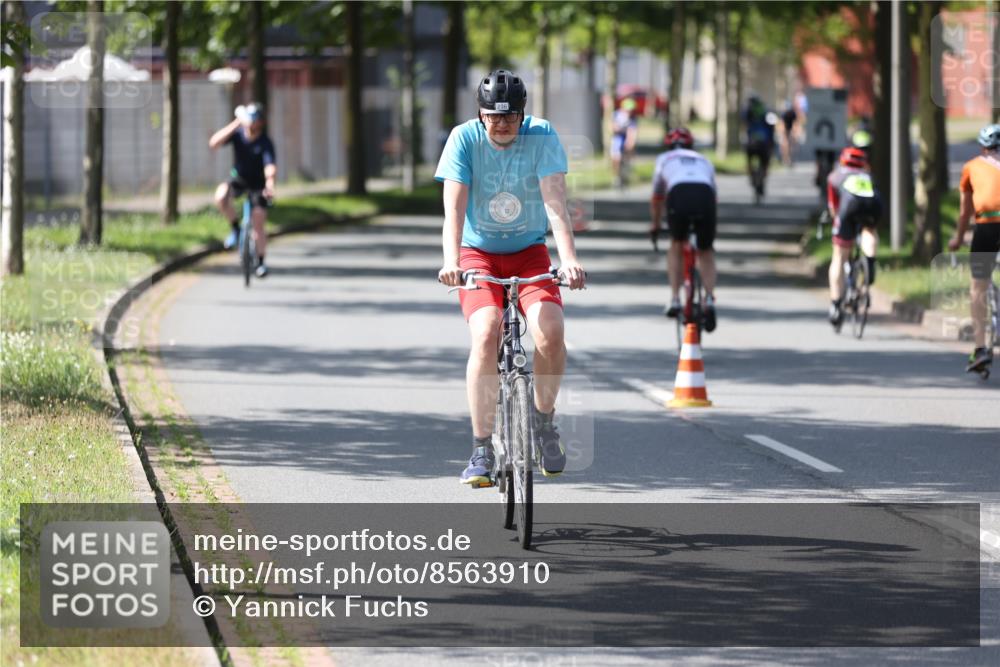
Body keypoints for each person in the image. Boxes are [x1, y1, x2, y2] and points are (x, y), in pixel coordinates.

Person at [435, 69, 587, 487]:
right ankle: (481, 448)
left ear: (522, 114)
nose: (501, 124)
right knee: (487, 332)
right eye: (493, 116)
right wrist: (451, 262)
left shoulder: (542, 135)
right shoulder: (463, 139)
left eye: (510, 116)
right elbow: (454, 211)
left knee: (551, 332)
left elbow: (555, 203)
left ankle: (543, 422)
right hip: (478, 255)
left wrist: (569, 260)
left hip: (529, 253)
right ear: (480, 115)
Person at [650, 127, 719, 332]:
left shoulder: (664, 159)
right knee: (706, 250)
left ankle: (675, 299)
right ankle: (709, 299)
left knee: (676, 244)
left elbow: (657, 198)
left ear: (668, 146)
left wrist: (655, 224)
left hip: (679, 194)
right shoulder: (704, 160)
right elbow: (714, 196)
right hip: (704, 196)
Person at [947, 123, 1000, 373]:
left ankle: (980, 349)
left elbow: (965, 211)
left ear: (982, 147)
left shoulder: (971, 167)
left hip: (987, 226)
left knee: (978, 285)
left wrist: (958, 239)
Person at [209, 103, 277, 278]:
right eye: (250, 118)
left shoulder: (265, 142)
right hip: (238, 179)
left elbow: (270, 166)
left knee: (258, 220)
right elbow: (214, 143)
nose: (252, 122)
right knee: (221, 196)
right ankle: (236, 230)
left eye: (255, 119)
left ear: (261, 122)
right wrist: (236, 123)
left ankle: (261, 262)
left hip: (258, 185)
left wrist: (270, 184)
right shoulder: (238, 135)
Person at [826, 147, 882, 328]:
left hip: (848, 207)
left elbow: (834, 208)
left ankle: (835, 305)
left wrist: (838, 224)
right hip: (873, 206)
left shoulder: (835, 176)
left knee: (839, 257)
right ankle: (870, 262)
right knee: (869, 231)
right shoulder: (868, 175)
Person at [743, 95, 775, 197]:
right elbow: (772, 128)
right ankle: (760, 180)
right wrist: (771, 143)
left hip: (751, 142)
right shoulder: (766, 112)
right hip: (764, 143)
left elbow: (744, 123)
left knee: (749, 162)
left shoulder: (748, 111)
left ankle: (753, 178)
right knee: (764, 165)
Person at [611, 97, 639, 187]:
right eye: (628, 110)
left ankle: (628, 167)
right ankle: (616, 176)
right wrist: (618, 128)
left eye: (631, 110)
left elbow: (633, 132)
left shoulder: (633, 118)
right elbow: (613, 127)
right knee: (616, 156)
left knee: (630, 147)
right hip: (618, 137)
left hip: (627, 135)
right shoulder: (616, 114)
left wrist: (630, 143)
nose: (630, 112)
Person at [780, 101, 798, 166]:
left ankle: (790, 158)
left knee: (792, 144)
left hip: (791, 129)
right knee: (785, 144)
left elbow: (795, 123)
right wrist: (784, 133)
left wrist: (794, 132)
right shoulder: (784, 114)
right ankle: (785, 159)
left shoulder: (793, 113)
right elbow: (782, 123)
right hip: (785, 129)